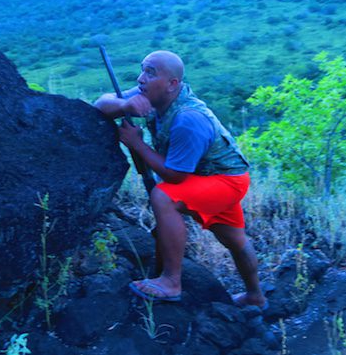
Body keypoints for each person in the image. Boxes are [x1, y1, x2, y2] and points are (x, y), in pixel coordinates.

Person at [94, 50, 267, 309]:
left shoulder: (189, 119)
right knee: (234, 239)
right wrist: (124, 106)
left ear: (172, 84)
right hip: (210, 177)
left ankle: (171, 282)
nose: (141, 78)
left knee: (163, 197)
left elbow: (175, 176)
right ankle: (256, 296)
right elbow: (101, 105)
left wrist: (137, 145)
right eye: (142, 69)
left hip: (226, 181)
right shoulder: (152, 93)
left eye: (150, 72)